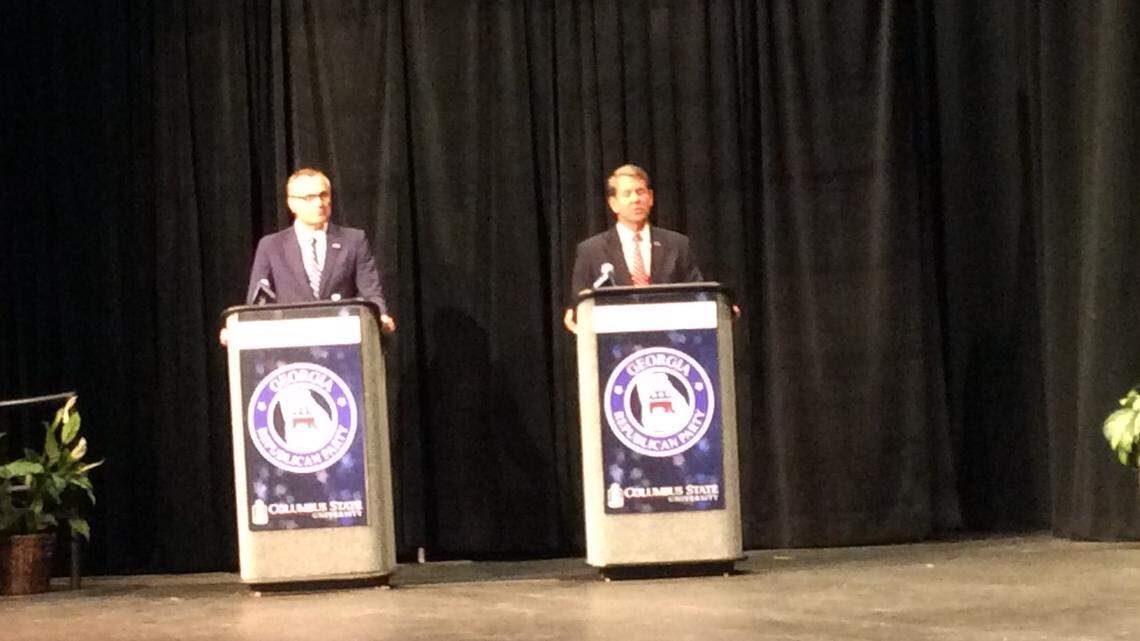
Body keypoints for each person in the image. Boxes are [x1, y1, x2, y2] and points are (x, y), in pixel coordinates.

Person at [226, 168, 395, 342]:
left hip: (342, 339)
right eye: (309, 198)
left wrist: (380, 316)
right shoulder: (271, 246)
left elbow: (371, 293)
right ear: (291, 204)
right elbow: (256, 304)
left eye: (324, 195)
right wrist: (240, 329)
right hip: (290, 341)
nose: (319, 203)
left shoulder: (354, 240)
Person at [564, 164, 706, 333]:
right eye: (627, 194)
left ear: (650, 198)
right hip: (616, 343)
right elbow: (580, 302)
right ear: (613, 203)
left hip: (671, 338)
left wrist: (721, 308)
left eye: (640, 192)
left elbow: (699, 294)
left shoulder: (677, 244)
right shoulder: (591, 250)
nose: (635, 199)